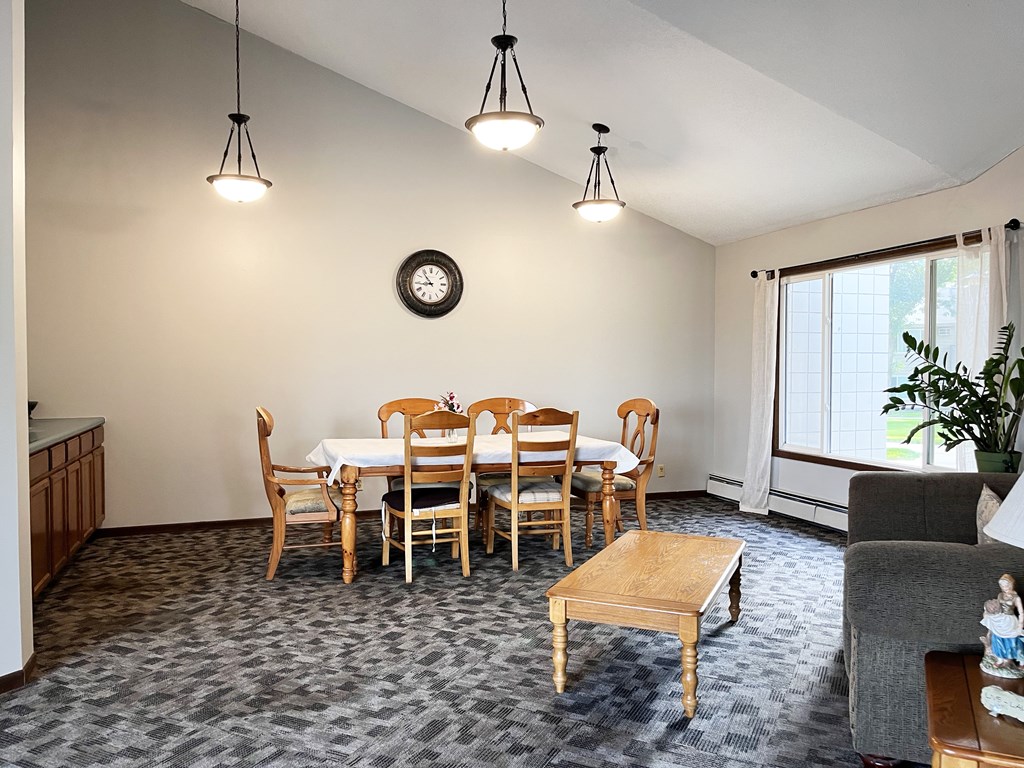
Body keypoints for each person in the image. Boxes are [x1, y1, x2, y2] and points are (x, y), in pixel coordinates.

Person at [981, 574, 1024, 673]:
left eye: (1006, 585)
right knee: (997, 637)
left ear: (1011, 585)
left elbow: (1021, 612)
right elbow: (996, 606)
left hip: (1010, 620)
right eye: (1002, 586)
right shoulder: (1000, 595)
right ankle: (1000, 658)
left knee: (1012, 639)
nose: (1004, 588)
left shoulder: (1016, 598)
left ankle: (1017, 659)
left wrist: (1020, 625)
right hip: (1000, 619)